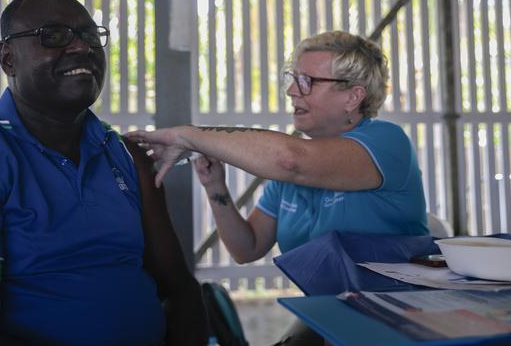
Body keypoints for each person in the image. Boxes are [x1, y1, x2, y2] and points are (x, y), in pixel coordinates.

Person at [0, 0, 207, 346]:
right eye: (54, 35)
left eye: (90, 35)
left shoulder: (125, 155)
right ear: (8, 59)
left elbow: (180, 291)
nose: (82, 47)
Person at [127, 31, 430, 344]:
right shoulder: (294, 174)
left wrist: (187, 135)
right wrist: (215, 188)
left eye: (307, 81)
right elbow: (247, 247)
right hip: (338, 317)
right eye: (293, 78)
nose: (291, 91)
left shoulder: (385, 142)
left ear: (353, 97)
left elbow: (290, 159)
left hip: (403, 321)